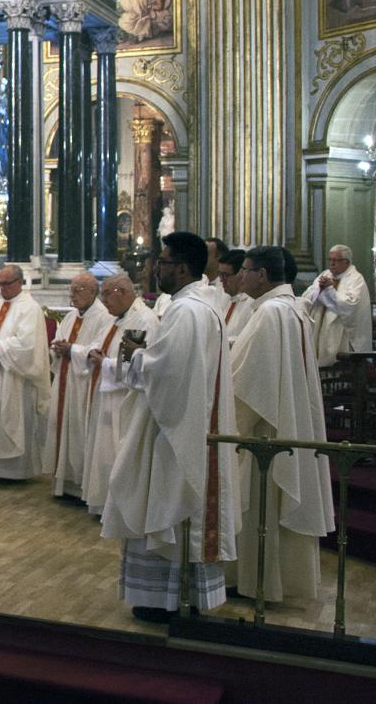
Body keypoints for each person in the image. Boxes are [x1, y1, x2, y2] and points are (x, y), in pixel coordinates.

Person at [102, 231, 238, 623]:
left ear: (180, 267)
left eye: (160, 262)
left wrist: (136, 355)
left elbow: (171, 374)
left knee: (167, 509)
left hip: (174, 433)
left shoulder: (187, 311)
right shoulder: (199, 306)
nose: (154, 268)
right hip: (185, 424)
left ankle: (166, 598)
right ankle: (177, 595)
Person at [230, 246, 335, 602]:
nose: (240, 276)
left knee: (261, 504)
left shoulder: (271, 313)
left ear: (262, 275)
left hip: (265, 429)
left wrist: (221, 409)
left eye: (245, 270)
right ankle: (278, 581)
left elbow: (247, 383)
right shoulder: (291, 308)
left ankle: (260, 583)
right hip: (284, 420)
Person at [82, 275, 158, 515]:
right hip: (107, 395)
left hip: (125, 400)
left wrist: (104, 362)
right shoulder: (115, 318)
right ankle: (103, 502)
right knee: (104, 452)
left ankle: (118, 507)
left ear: (123, 292)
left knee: (116, 452)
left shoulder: (140, 319)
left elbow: (130, 367)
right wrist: (94, 352)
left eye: (106, 294)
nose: (102, 300)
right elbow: (98, 342)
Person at [0, 264, 50, 481]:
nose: (2, 288)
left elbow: (27, 344)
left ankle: (17, 472)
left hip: (14, 378)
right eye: (0, 284)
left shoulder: (30, 308)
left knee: (12, 420)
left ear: (19, 283)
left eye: (6, 284)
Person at [44, 272, 109, 499]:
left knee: (81, 432)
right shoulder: (71, 316)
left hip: (85, 384)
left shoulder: (103, 316)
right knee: (63, 430)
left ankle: (82, 487)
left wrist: (71, 350)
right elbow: (59, 340)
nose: (73, 294)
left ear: (93, 291)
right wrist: (58, 348)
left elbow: (99, 348)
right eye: (71, 289)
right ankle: (64, 484)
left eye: (78, 289)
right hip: (65, 380)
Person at [302, 244, 373, 367]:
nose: (332, 263)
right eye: (330, 259)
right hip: (320, 330)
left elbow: (350, 305)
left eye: (336, 260)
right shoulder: (325, 275)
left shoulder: (356, 279)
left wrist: (329, 290)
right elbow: (308, 295)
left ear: (347, 262)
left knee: (339, 370)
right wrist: (319, 288)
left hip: (342, 333)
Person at [215, 249, 255, 339]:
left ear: (241, 274)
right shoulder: (222, 297)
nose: (221, 280)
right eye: (219, 274)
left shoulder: (252, 304)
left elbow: (247, 339)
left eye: (225, 275)